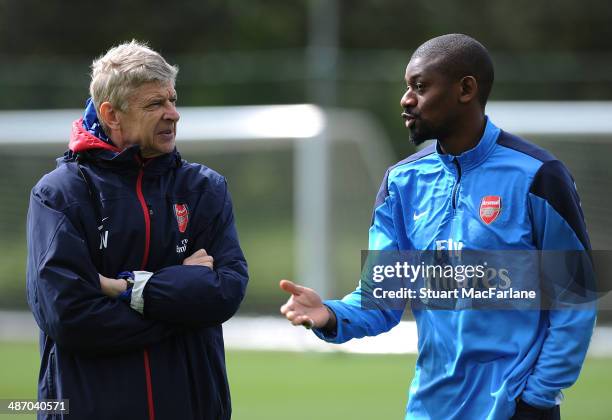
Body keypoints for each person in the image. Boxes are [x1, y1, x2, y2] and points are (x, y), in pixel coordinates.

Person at [280, 34, 595, 419]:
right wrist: (328, 314)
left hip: (516, 409)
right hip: (430, 409)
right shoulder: (402, 183)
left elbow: (575, 299)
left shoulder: (539, 176)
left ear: (466, 89)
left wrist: (537, 398)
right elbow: (381, 298)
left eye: (420, 86)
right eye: (407, 87)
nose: (406, 99)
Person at [26, 40, 248, 420]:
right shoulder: (59, 194)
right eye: (155, 104)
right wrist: (179, 303)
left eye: (173, 100)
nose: (173, 114)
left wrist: (125, 288)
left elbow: (225, 293)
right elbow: (70, 316)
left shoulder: (204, 188)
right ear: (112, 114)